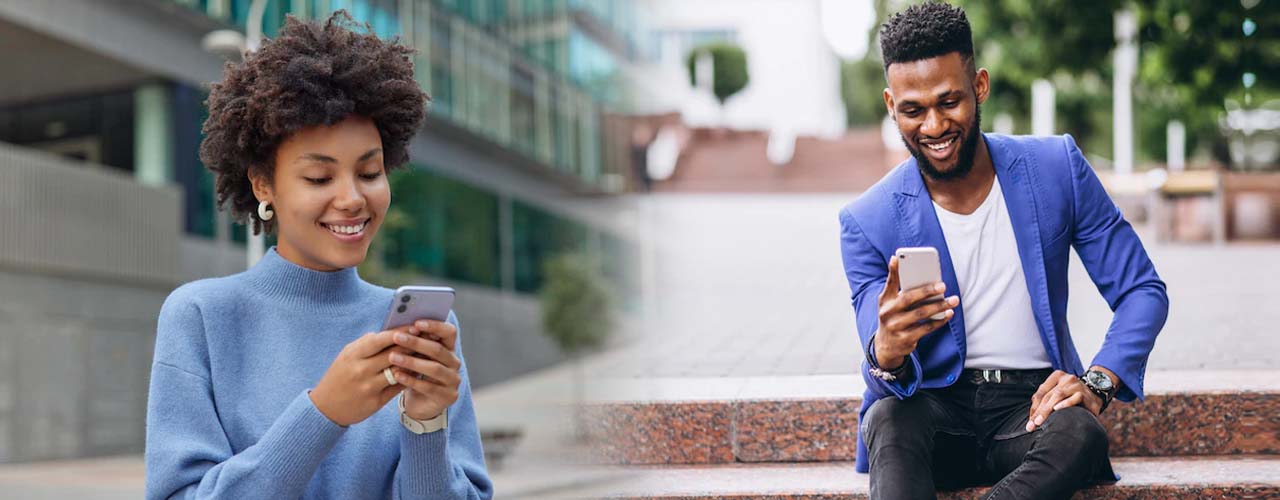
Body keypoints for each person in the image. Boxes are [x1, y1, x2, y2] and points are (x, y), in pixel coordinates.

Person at [145, 12, 492, 499]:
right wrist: (324, 413)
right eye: (319, 178)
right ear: (263, 183)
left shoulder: (418, 331)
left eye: (369, 172)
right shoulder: (201, 317)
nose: (352, 198)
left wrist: (426, 423)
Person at [837, 3, 1168, 499]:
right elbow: (885, 370)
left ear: (980, 87)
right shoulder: (868, 219)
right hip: (933, 410)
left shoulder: (1058, 168)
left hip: (1031, 405)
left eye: (949, 102)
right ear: (890, 105)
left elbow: (1143, 289)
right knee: (888, 418)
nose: (932, 126)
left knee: (1080, 431)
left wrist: (1099, 381)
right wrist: (888, 350)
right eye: (913, 109)